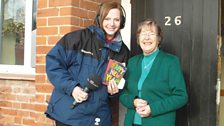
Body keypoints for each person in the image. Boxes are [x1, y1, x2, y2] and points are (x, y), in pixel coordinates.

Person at [45, 2, 129, 126]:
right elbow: (53, 64)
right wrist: (72, 88)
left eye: (116, 19)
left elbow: (117, 87)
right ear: (99, 19)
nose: (112, 24)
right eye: (107, 19)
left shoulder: (123, 52)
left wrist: (113, 92)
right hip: (69, 115)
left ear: (121, 22)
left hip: (98, 118)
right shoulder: (77, 38)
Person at [119, 18, 188, 126]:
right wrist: (133, 101)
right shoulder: (132, 62)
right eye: (143, 34)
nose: (147, 37)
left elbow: (181, 96)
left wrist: (152, 108)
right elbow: (123, 93)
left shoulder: (170, 62)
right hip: (132, 123)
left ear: (158, 39)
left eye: (151, 34)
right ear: (138, 38)